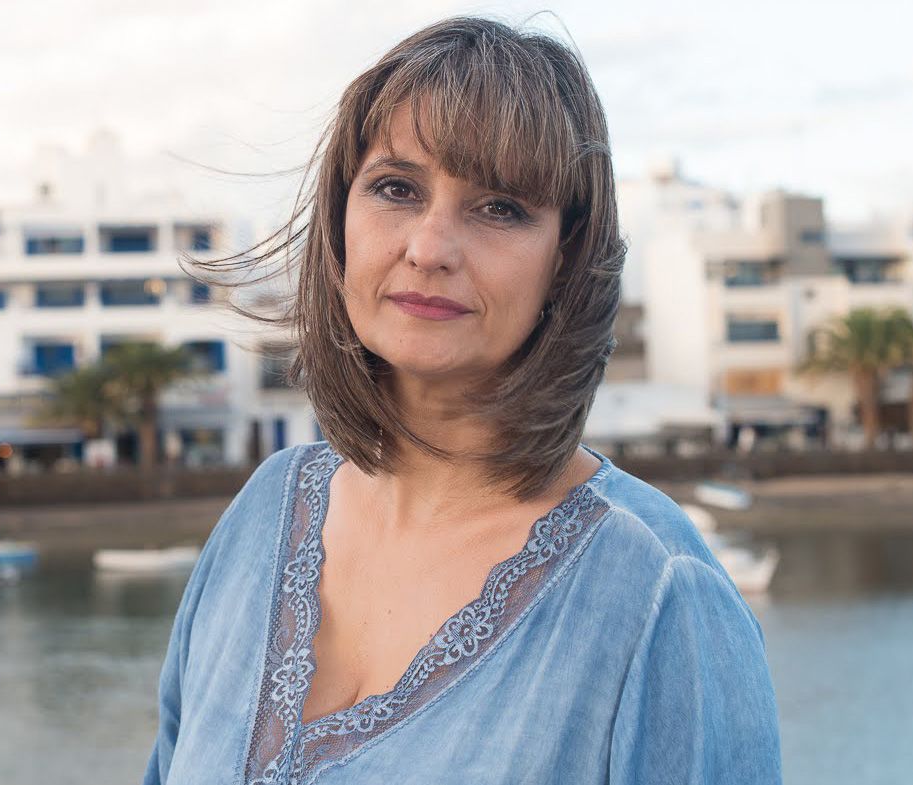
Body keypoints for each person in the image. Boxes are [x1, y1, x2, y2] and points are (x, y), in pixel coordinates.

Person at [145, 16, 782, 785]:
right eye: (396, 189)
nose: (429, 247)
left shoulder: (656, 595)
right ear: (343, 221)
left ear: (567, 258)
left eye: (501, 207)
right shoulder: (262, 514)